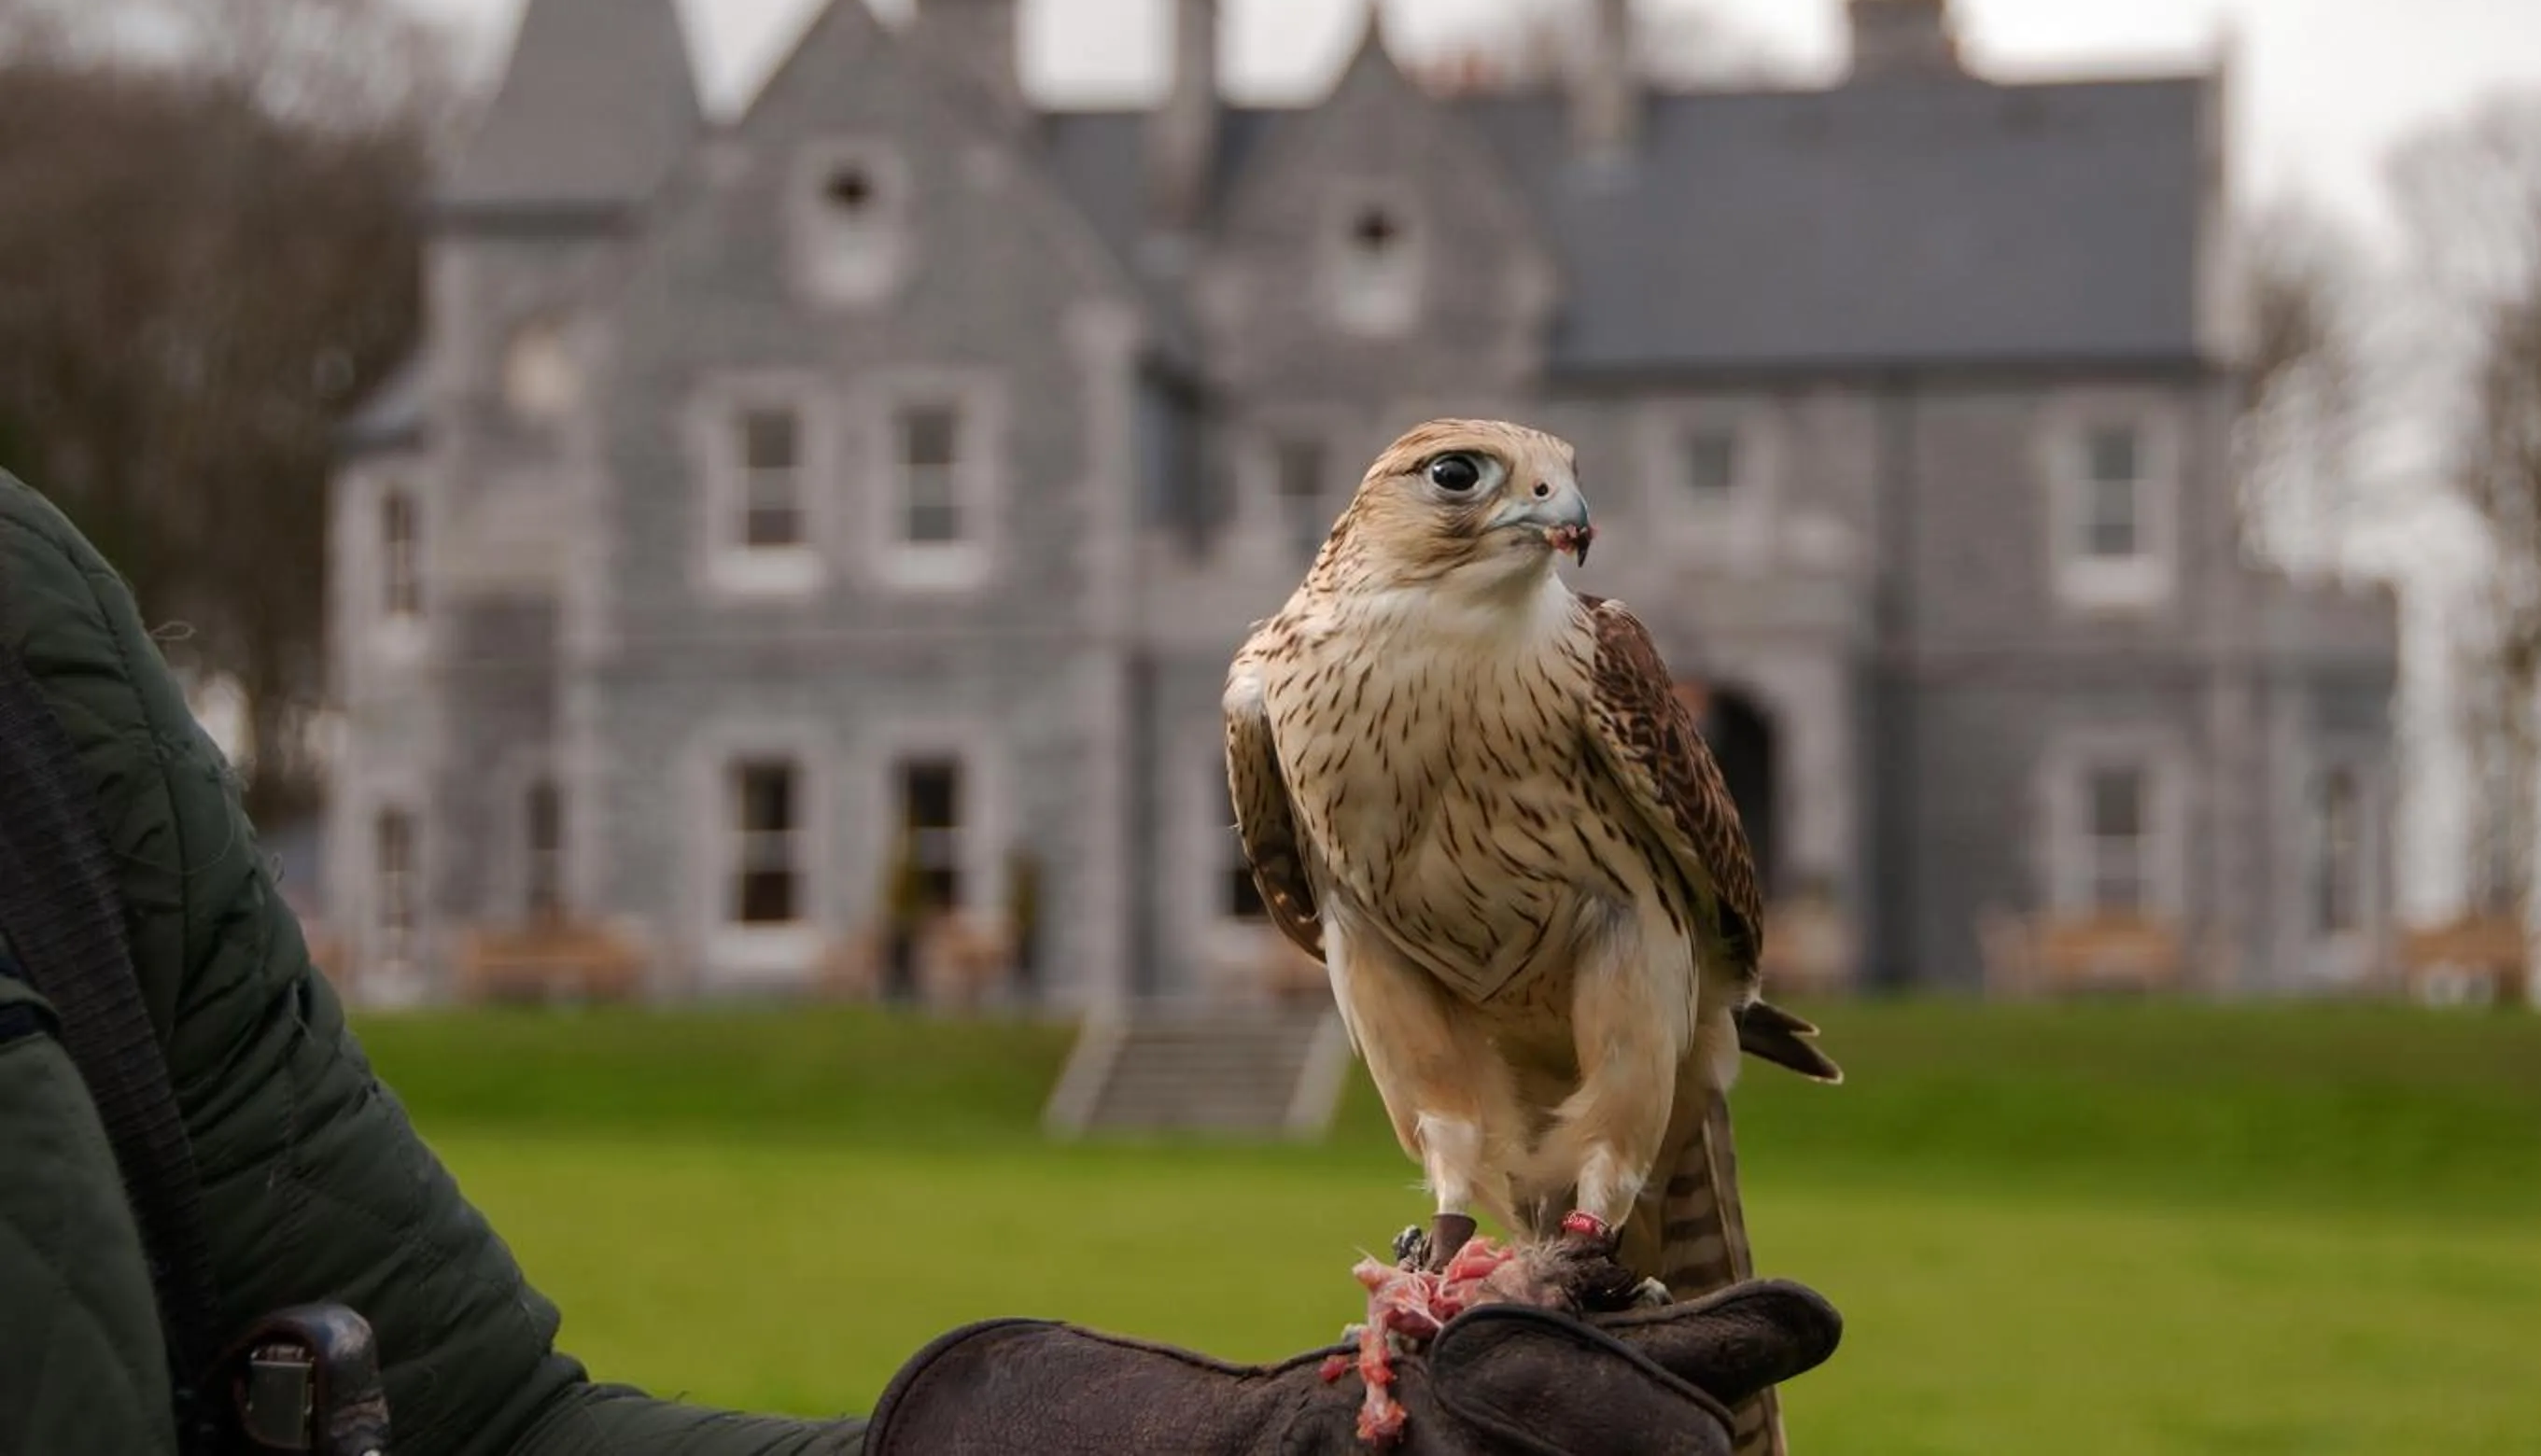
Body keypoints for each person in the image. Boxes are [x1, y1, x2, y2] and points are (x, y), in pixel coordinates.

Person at [0, 469, 1838, 1455]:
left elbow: (478, 1423)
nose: (1544, 516)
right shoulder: (1278, 695)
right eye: (1475, 484)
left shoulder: (37, 678)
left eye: (1558, 495)